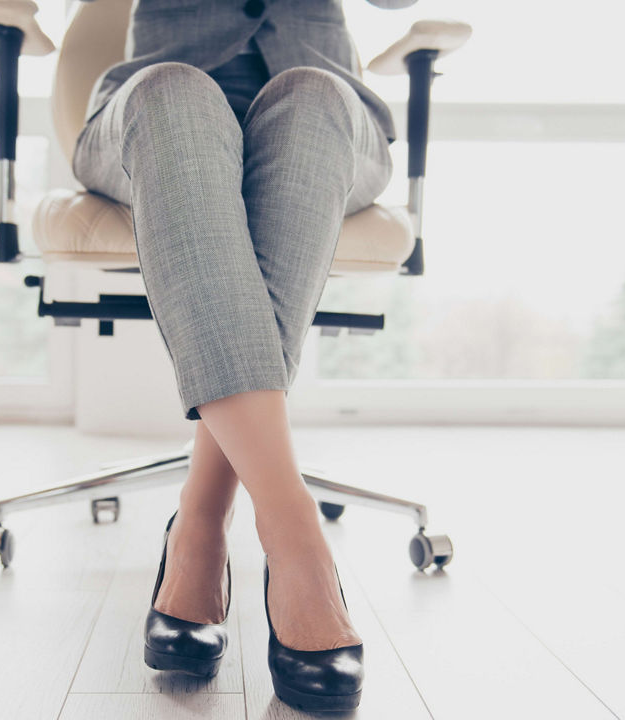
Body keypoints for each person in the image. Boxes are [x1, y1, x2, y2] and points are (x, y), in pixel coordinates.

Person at [70, 0, 419, 711]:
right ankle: (294, 536)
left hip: (324, 108)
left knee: (311, 97)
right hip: (152, 101)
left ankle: (200, 519)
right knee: (177, 94)